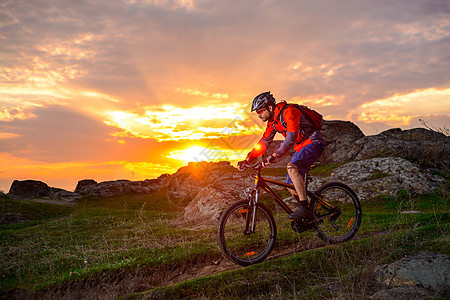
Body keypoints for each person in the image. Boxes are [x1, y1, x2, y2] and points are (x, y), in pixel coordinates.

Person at [237, 91, 326, 221]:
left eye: (261, 111)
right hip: (301, 147)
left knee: (291, 167)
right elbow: (264, 142)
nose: (259, 115)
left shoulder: (289, 112)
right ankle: (310, 216)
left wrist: (275, 155)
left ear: (270, 107)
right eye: (257, 113)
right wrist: (247, 160)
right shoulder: (273, 122)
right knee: (290, 185)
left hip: (314, 142)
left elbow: (291, 137)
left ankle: (304, 209)